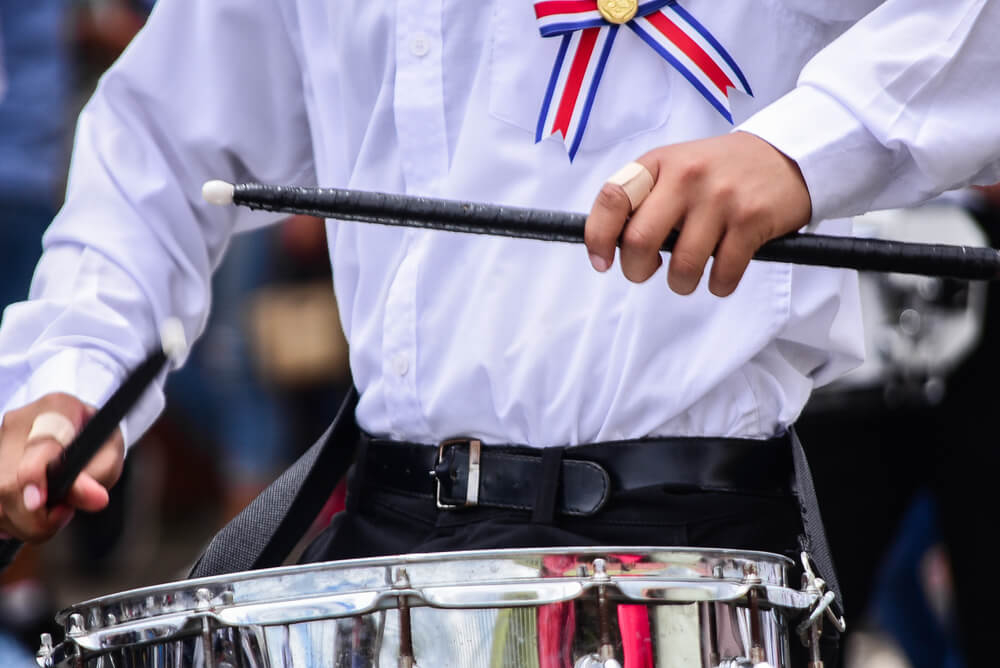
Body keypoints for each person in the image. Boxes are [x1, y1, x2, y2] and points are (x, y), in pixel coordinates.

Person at [0, 0, 998, 660]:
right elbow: (162, 146)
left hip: (688, 534)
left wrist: (797, 150)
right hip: (388, 524)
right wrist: (68, 380)